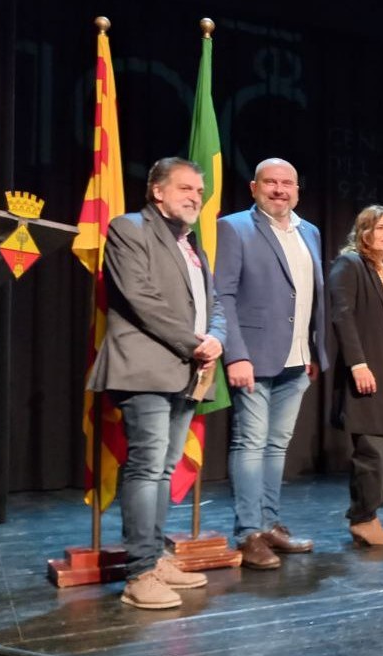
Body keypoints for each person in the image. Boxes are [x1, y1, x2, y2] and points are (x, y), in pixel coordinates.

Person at [88, 157, 225, 609]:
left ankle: (157, 555)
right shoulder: (129, 229)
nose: (195, 197)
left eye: (199, 191)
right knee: (147, 468)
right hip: (144, 368)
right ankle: (139, 573)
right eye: (185, 188)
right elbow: (140, 298)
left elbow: (214, 302)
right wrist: (194, 342)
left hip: (187, 371)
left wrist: (217, 338)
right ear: (157, 192)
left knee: (164, 469)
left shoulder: (192, 245)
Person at [214, 157, 325, 569]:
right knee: (250, 443)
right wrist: (236, 353)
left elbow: (311, 296)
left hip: (297, 359)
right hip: (253, 359)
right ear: (254, 187)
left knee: (277, 446)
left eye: (287, 183)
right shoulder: (234, 227)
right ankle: (248, 533)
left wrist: (313, 349)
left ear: (297, 189)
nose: (279, 190)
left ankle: (270, 523)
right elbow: (222, 295)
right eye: (271, 182)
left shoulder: (308, 231)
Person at [328, 205, 383, 547]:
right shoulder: (351, 265)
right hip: (371, 362)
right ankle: (363, 517)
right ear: (364, 232)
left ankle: (373, 513)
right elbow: (343, 316)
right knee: (372, 447)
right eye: (380, 228)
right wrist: (358, 364)